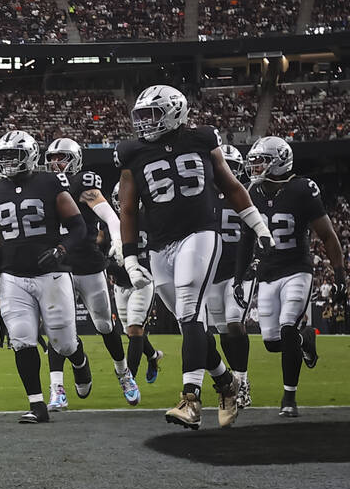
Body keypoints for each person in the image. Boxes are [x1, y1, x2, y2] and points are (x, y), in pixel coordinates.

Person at [117, 84, 271, 430]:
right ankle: (226, 382)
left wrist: (259, 227)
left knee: (189, 310)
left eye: (151, 114)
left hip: (200, 234)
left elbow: (231, 186)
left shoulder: (202, 138)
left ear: (174, 111)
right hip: (159, 245)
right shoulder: (131, 152)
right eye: (140, 116)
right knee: (191, 325)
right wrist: (130, 258)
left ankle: (191, 400)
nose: (144, 123)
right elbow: (127, 209)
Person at [0, 130, 93, 424]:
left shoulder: (49, 182)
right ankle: (37, 405)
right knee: (22, 340)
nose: (9, 162)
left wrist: (62, 250)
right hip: (12, 275)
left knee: (63, 344)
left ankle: (79, 360)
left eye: (15, 155)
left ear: (30, 155)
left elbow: (78, 227)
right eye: (5, 156)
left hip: (50, 273)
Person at [243, 136, 346, 418]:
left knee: (287, 326)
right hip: (267, 273)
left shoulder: (302, 189)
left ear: (279, 162)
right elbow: (245, 239)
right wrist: (242, 274)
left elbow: (327, 235)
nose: (255, 166)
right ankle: (305, 339)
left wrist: (339, 275)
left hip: (296, 269)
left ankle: (289, 397)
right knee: (272, 342)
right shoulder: (253, 193)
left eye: (260, 160)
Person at [44, 138, 139, 409]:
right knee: (57, 327)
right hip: (58, 266)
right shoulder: (43, 187)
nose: (54, 163)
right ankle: (56, 388)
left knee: (104, 325)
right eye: (51, 157)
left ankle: (124, 374)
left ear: (74, 159)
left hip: (87, 264)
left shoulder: (82, 185)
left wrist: (119, 241)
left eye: (60, 157)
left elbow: (110, 216)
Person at [206, 144, 253, 408]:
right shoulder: (204, 198)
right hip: (214, 271)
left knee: (235, 323)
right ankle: (234, 380)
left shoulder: (244, 194)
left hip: (240, 269)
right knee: (224, 330)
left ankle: (243, 381)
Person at [105, 185, 163, 385]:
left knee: (135, 329)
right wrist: (109, 265)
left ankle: (130, 380)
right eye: (119, 198)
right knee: (130, 332)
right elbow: (102, 254)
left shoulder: (151, 219)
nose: (123, 202)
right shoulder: (110, 223)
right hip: (121, 283)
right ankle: (153, 356)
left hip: (143, 281)